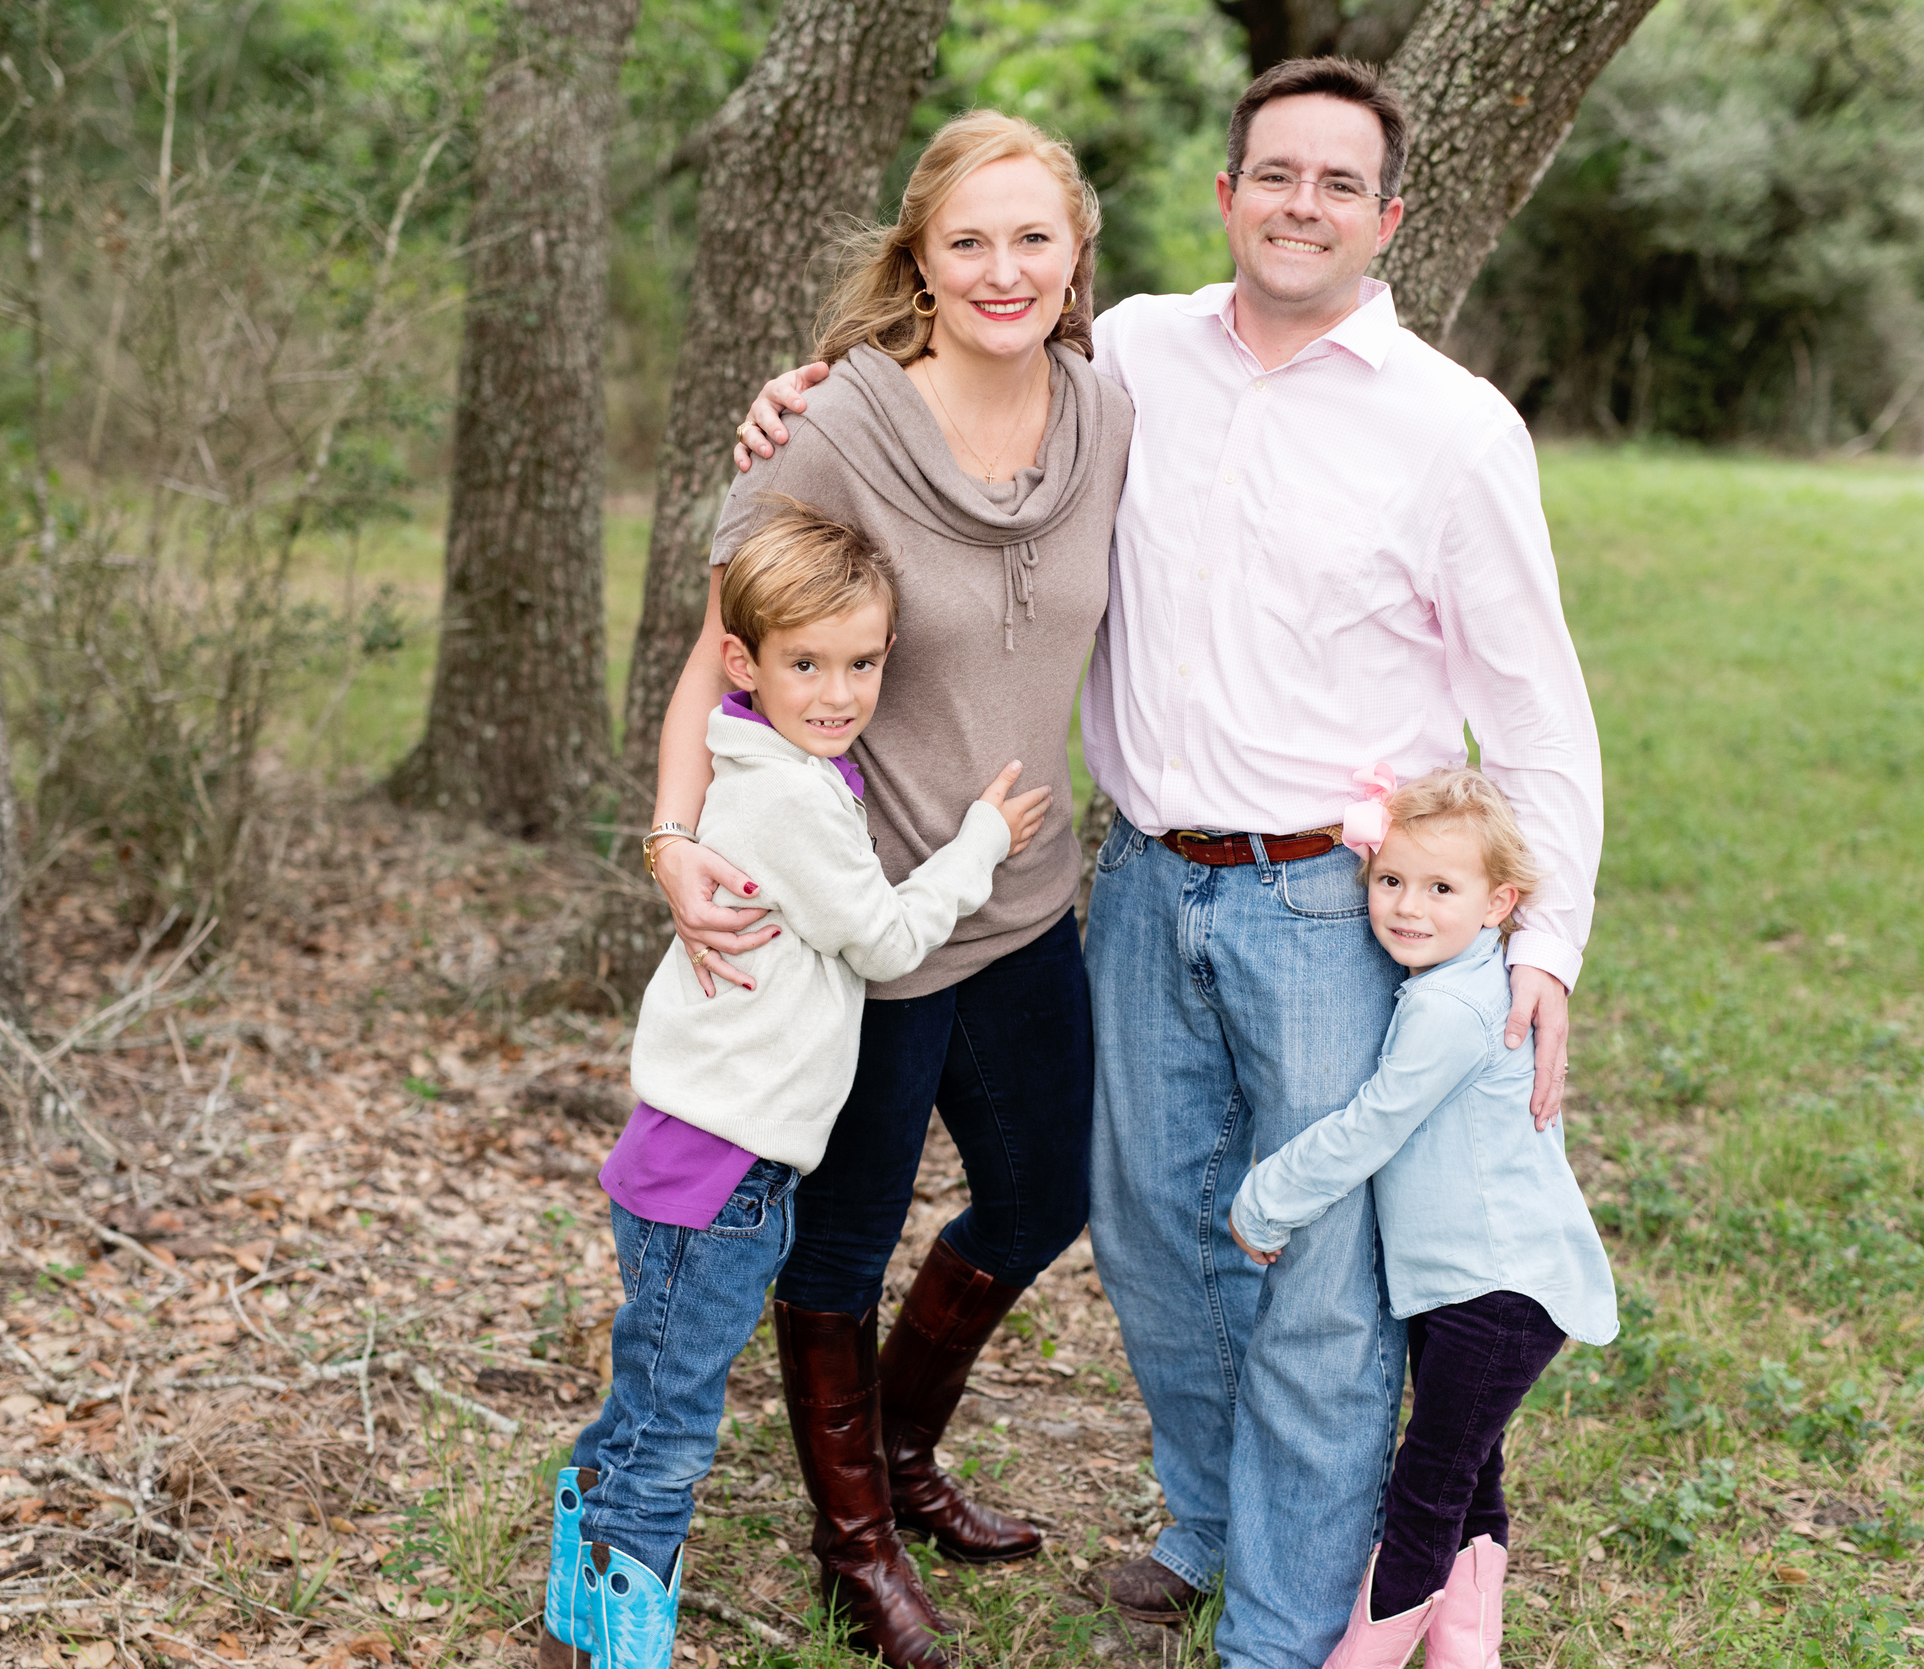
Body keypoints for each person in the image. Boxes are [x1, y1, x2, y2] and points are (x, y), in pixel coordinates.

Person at [735, 57, 1603, 1669]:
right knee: (1155, 1237)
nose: (1302, 205)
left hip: (1334, 906)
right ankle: (1210, 1521)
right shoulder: (1128, 354)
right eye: (1275, 173)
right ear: (1225, 194)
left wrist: (1541, 945)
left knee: (1326, 1276)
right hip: (1137, 878)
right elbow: (948, 390)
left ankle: (1278, 1624)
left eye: (1341, 184)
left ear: (1389, 215)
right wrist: (802, 396)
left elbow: (1539, 716)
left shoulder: (1454, 429)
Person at [642, 111, 1134, 1667]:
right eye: (970, 239)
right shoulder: (838, 425)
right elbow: (716, 650)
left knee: (1049, 1189)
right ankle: (852, 1542)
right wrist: (669, 842)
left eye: (1033, 238)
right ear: (919, 254)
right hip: (859, 936)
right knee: (841, 1248)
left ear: (1075, 258)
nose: (1004, 269)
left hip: (1023, 899)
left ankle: (903, 1454)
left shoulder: (1111, 413)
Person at [545, 505, 1047, 1669]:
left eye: (861, 662)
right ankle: (619, 1643)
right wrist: (975, 843)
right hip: (716, 1175)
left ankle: (579, 1600)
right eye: (806, 664)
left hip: (704, 1160)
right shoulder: (782, 793)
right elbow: (881, 940)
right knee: (672, 1427)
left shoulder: (774, 756)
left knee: (651, 1397)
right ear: (743, 663)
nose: (838, 691)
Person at [1223, 768, 1617, 1669]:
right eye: (1391, 880)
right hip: (1464, 1286)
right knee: (1472, 1480)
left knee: (1426, 1492)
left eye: (1442, 888)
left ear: (1499, 903)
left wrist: (1266, 1197)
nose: (1407, 906)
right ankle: (1466, 1655)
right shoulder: (1453, 980)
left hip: (1500, 1291)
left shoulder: (1451, 1007)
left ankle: (1360, 1657)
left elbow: (1372, 1124)